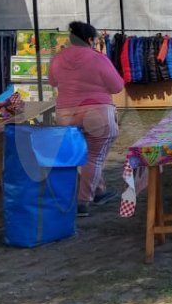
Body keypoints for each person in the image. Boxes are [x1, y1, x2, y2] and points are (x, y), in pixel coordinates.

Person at [49, 21, 125, 213]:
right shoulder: (98, 58)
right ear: (90, 39)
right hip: (97, 112)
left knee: (82, 156)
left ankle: (99, 191)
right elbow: (117, 86)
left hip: (65, 113)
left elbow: (52, 81)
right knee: (94, 157)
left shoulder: (58, 58)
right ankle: (83, 202)